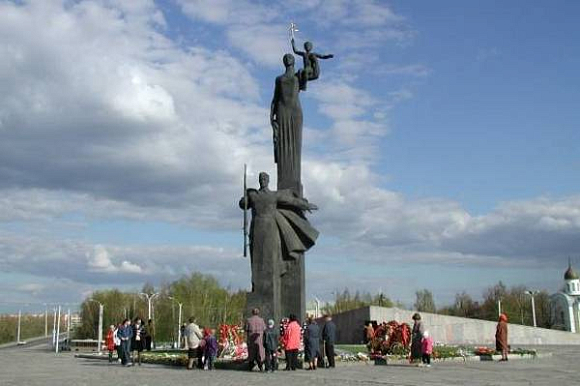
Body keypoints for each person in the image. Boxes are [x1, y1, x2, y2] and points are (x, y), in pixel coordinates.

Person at [239, 172, 318, 322]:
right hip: (256, 231)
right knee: (256, 261)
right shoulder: (254, 195)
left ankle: (268, 285)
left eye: (265, 179)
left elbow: (291, 201)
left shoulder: (274, 195)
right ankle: (257, 284)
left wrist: (306, 205)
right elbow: (242, 204)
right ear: (259, 181)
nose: (263, 181)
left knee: (270, 260)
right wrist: (245, 198)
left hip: (270, 230)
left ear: (268, 181)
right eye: (261, 179)